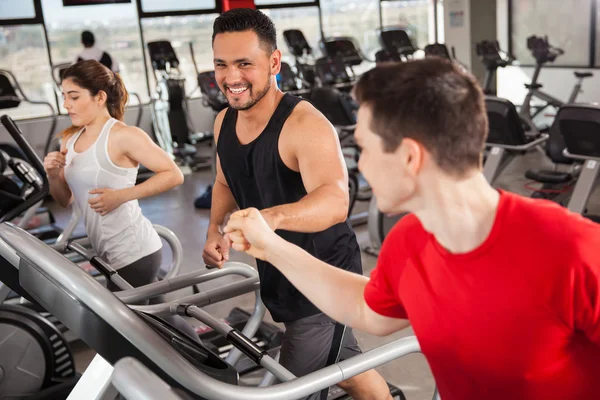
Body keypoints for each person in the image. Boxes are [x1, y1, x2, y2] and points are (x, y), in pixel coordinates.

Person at [224, 58, 600, 400]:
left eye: (365, 149)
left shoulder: (573, 251)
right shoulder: (409, 242)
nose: (361, 167)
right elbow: (365, 308)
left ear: (409, 157)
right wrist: (270, 246)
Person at [203, 8, 391, 400]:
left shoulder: (305, 125)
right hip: (280, 273)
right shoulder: (224, 121)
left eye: (244, 64)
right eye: (221, 64)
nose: (231, 77)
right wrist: (214, 231)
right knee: (346, 366)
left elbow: (336, 200)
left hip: (324, 279)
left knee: (291, 388)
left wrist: (267, 220)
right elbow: (224, 181)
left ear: (274, 62)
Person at [43, 60, 198, 342]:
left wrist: (122, 195)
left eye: (74, 96)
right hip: (108, 251)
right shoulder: (69, 141)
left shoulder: (123, 136)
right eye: (64, 96)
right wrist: (54, 175)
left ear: (99, 96)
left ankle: (201, 375)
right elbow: (64, 200)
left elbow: (174, 175)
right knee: (163, 319)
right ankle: (206, 371)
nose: (67, 104)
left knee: (117, 330)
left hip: (135, 250)